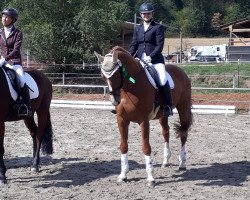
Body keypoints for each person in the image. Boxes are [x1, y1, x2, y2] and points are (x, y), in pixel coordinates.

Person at [129, 2, 173, 117]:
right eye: (144, 14)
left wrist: (151, 57)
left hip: (155, 60)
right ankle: (122, 103)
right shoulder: (137, 28)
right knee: (128, 77)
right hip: (139, 59)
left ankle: (168, 105)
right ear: (141, 14)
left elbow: (159, 46)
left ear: (152, 14)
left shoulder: (158, 27)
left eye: (148, 13)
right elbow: (134, 44)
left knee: (162, 80)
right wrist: (129, 56)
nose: (146, 15)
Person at [0, 8, 32, 117]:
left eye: (7, 17)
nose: (4, 19)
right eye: (3, 16)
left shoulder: (18, 33)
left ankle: (26, 106)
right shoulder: (0, 32)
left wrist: (4, 59)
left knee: (21, 79)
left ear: (13, 20)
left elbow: (16, 50)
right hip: (2, 60)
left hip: (14, 62)